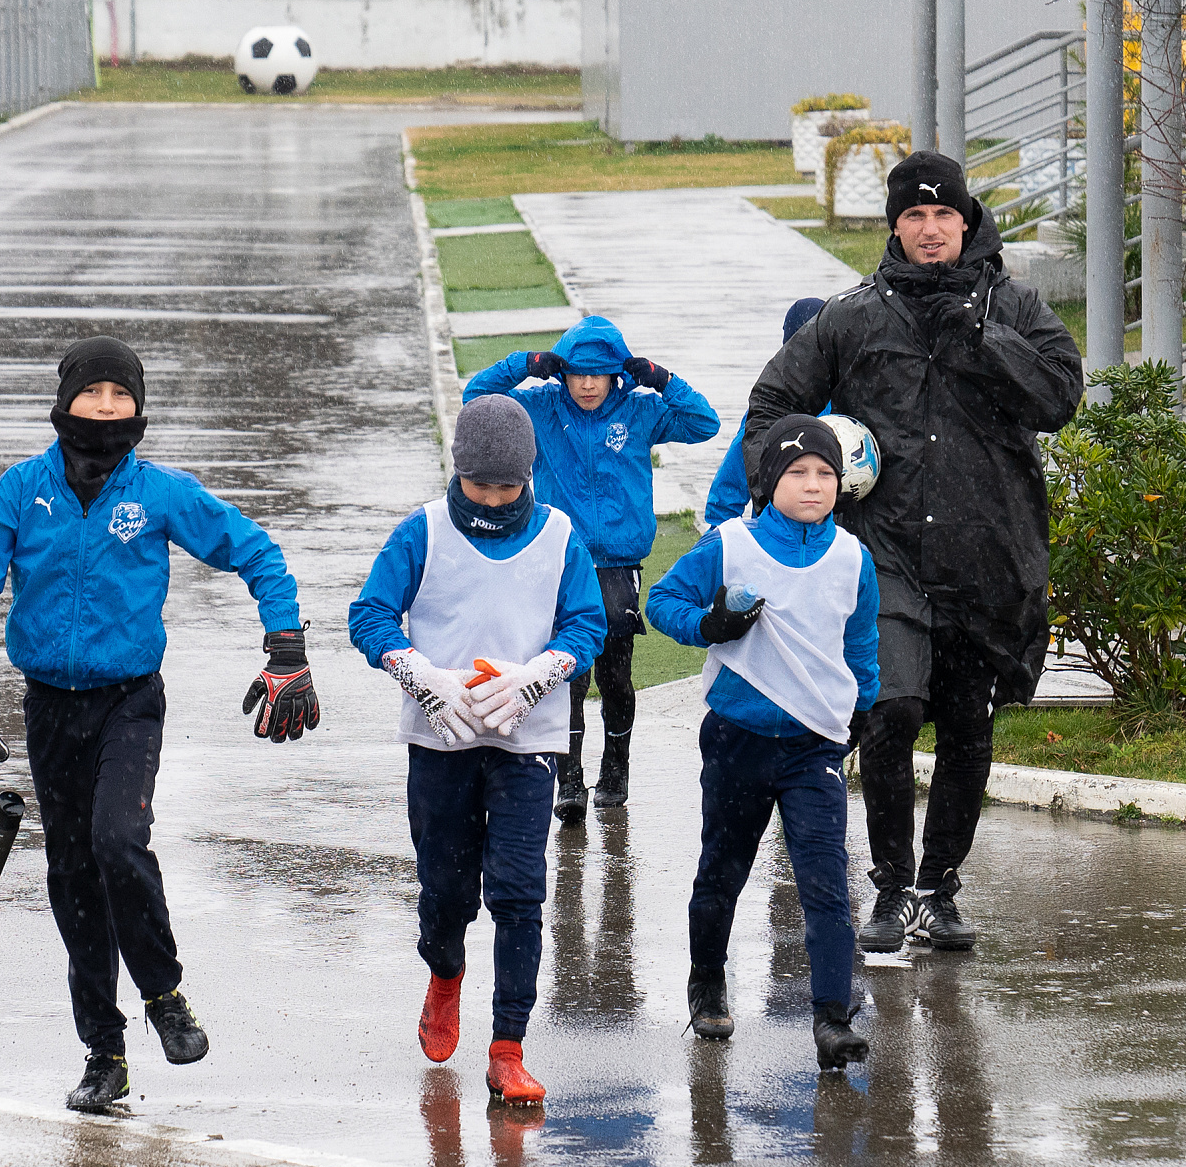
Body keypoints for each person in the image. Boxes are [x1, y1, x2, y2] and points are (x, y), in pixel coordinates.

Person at [0, 336, 321, 1111]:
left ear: (139, 409)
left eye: (122, 397)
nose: (107, 409)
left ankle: (165, 994)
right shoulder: (19, 492)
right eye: (94, 395)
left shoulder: (158, 493)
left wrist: (285, 642)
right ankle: (103, 1052)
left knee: (119, 840)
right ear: (65, 404)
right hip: (50, 705)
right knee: (74, 876)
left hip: (130, 701)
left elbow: (255, 551)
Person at [742, 152, 1083, 954]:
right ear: (894, 226)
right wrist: (795, 477)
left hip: (985, 554)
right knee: (890, 710)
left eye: (944, 217)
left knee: (968, 726)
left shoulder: (1015, 305)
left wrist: (983, 335)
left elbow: (1061, 395)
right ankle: (892, 888)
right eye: (914, 218)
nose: (930, 232)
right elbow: (772, 405)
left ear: (967, 222)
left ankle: (939, 887)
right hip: (886, 555)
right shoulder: (853, 316)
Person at [348, 394, 608, 1105]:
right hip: (442, 735)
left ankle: (508, 1047)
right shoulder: (423, 532)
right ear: (456, 470)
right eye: (478, 483)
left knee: (521, 890)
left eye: (507, 485)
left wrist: (539, 676)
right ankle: (445, 971)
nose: (492, 497)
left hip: (528, 737)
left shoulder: (559, 537)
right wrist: (416, 672)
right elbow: (368, 613)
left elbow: (587, 623)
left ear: (529, 477)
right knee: (447, 888)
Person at [648, 415, 879, 1070]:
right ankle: (707, 982)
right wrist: (708, 621)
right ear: (771, 480)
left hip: (814, 748)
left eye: (826, 474)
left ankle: (832, 1017)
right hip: (737, 737)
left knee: (826, 882)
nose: (813, 485)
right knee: (723, 870)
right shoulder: (730, 545)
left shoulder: (852, 558)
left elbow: (861, 645)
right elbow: (664, 601)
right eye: (798, 472)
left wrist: (861, 707)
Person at [463, 316, 719, 821]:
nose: (586, 384)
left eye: (598, 374)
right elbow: (477, 399)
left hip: (619, 564)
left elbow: (702, 423)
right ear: (561, 372)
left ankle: (616, 766)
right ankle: (570, 778)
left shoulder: (641, 410)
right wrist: (526, 365)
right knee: (569, 675)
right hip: (560, 559)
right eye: (576, 372)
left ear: (617, 375)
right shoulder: (538, 408)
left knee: (616, 675)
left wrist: (660, 378)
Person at [703, 298, 827, 531]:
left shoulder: (851, 399)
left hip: (829, 539)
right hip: (774, 536)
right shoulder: (770, 404)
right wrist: (719, 534)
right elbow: (734, 475)